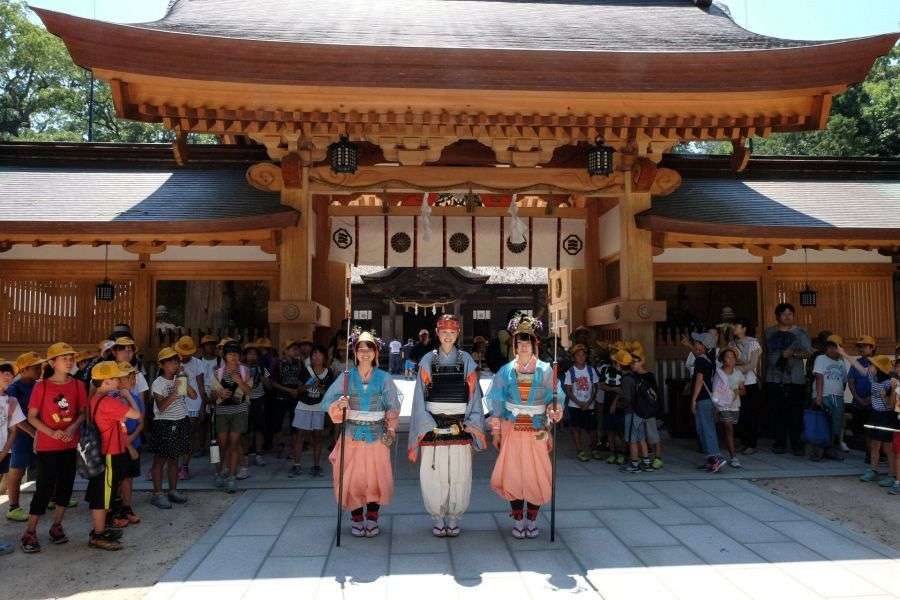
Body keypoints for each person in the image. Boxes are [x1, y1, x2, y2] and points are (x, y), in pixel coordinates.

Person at [485, 315, 562, 539]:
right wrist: (496, 431)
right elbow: (497, 402)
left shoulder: (546, 370)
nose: (524, 347)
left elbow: (556, 397)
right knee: (513, 472)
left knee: (537, 473)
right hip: (511, 428)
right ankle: (518, 519)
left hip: (538, 429)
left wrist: (555, 410)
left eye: (528, 343)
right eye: (520, 343)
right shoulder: (505, 371)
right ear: (515, 346)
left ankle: (532, 519)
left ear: (535, 345)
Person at [408, 315, 485, 537]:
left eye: (452, 332)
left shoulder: (467, 359)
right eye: (444, 332)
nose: (448, 336)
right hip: (432, 425)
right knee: (434, 474)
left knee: (460, 473)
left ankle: (454, 516)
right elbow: (419, 397)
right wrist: (426, 423)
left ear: (458, 333)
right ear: (437, 333)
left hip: (460, 425)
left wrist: (471, 423)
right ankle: (438, 517)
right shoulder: (427, 360)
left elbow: (474, 395)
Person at [322, 329, 400, 538]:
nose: (365, 353)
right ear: (355, 353)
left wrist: (391, 428)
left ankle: (372, 518)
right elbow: (327, 402)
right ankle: (357, 518)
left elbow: (392, 406)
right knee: (352, 477)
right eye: (361, 349)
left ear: (376, 352)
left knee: (376, 477)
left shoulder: (384, 377)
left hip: (377, 435)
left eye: (369, 349)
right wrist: (340, 404)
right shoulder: (346, 377)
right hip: (352, 434)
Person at [21, 342, 86, 554]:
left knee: (66, 486)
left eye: (71, 358)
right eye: (64, 358)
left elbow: (83, 413)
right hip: (48, 446)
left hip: (69, 443)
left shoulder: (78, 385)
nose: (69, 361)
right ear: (52, 362)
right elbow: (32, 417)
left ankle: (57, 525)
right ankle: (30, 531)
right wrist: (51, 432)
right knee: (44, 488)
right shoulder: (42, 386)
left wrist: (72, 427)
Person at [84, 361, 141, 551]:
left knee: (104, 493)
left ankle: (101, 529)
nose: (119, 381)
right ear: (106, 381)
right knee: (103, 495)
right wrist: (127, 395)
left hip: (105, 452)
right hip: (109, 453)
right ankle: (98, 534)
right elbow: (136, 415)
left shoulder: (97, 398)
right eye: (115, 378)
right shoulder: (108, 402)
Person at [840, 349, 897, 487]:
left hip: (886, 417)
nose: (869, 367)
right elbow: (858, 367)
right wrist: (845, 354)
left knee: (887, 448)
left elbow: (892, 405)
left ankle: (892, 474)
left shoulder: (890, 383)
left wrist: (886, 395)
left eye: (872, 365)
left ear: (879, 369)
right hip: (875, 414)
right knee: (874, 445)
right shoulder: (873, 378)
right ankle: (873, 470)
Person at [149, 347, 195, 509]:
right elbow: (161, 407)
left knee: (175, 458)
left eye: (176, 362)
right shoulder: (158, 383)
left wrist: (184, 380)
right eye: (170, 362)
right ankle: (157, 493)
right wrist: (175, 392)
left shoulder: (180, 378)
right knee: (160, 459)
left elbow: (193, 396)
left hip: (181, 419)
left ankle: (173, 490)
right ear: (162, 365)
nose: (174, 365)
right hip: (164, 423)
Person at [764, 303, 812, 455]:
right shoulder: (769, 332)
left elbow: (808, 352)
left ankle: (797, 444)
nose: (787, 317)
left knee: (796, 413)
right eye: (784, 314)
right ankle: (779, 443)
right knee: (777, 412)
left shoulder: (801, 332)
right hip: (774, 377)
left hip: (795, 378)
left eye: (790, 314)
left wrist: (793, 354)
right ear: (777, 316)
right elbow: (765, 353)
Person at [5, 352, 44, 523]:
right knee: (17, 470)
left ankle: (50, 498)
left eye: (40, 367)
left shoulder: (39, 385)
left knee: (46, 468)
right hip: (21, 436)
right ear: (23, 370)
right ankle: (13, 507)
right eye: (35, 367)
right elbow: (14, 416)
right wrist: (33, 432)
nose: (40, 370)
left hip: (40, 433)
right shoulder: (13, 389)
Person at [210, 342, 252, 493]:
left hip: (239, 411)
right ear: (225, 356)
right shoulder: (218, 372)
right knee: (222, 444)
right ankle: (219, 472)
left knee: (234, 444)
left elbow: (249, 392)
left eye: (236, 353)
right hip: (222, 411)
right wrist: (220, 393)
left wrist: (239, 380)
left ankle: (232, 477)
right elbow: (212, 395)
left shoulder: (245, 371)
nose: (233, 357)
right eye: (230, 354)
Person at [290, 344, 335, 477]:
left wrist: (320, 388)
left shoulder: (328, 373)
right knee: (300, 435)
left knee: (317, 436)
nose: (316, 357)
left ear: (324, 357)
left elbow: (330, 392)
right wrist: (307, 386)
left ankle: (316, 465)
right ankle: (296, 464)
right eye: (314, 354)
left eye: (320, 354)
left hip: (319, 407)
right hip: (303, 405)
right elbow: (297, 390)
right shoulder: (305, 371)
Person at [112, 362, 144, 527]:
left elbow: (141, 421)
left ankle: (127, 507)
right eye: (126, 377)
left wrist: (132, 438)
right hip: (117, 444)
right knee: (117, 478)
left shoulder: (135, 398)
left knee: (129, 477)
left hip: (133, 440)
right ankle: (114, 508)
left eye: (132, 376)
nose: (132, 380)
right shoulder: (113, 399)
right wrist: (126, 442)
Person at [0, 359, 27, 555]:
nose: (8, 376)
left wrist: (3, 452)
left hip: (3, 454)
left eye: (10, 373)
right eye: (4, 372)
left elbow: (13, 429)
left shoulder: (11, 401)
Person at [690, 332, 726, 473]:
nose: (695, 344)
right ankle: (711, 459)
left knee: (706, 429)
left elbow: (699, 380)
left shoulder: (700, 360)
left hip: (703, 399)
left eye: (697, 342)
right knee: (703, 429)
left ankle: (716, 457)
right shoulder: (709, 360)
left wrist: (693, 399)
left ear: (702, 346)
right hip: (708, 399)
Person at [619, 347, 660, 473]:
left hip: (634, 412)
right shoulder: (637, 377)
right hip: (642, 412)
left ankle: (634, 463)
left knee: (632, 439)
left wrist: (620, 404)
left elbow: (628, 398)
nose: (633, 365)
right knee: (641, 438)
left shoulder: (629, 378)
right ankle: (646, 462)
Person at [810, 335, 848, 461]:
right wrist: (819, 396)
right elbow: (819, 377)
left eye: (835, 347)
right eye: (830, 346)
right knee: (822, 423)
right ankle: (818, 452)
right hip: (824, 395)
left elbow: (844, 381)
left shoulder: (841, 362)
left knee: (836, 425)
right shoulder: (821, 358)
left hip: (838, 397)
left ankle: (831, 450)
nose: (832, 349)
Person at [174, 336, 207, 480]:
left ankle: (185, 466)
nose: (185, 355)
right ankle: (175, 465)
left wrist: (203, 405)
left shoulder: (198, 363)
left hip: (194, 402)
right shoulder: (173, 363)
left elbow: (200, 385)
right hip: (176, 401)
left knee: (188, 434)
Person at [267, 340, 305, 459]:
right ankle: (280, 446)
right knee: (278, 423)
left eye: (297, 349)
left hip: (295, 398)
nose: (296, 352)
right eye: (293, 349)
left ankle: (293, 449)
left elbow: (302, 380)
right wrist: (289, 390)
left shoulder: (300, 363)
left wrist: (298, 390)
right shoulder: (277, 363)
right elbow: (272, 382)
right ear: (286, 350)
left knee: (295, 424)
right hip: (280, 397)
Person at [563, 344, 600, 462]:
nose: (581, 357)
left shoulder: (591, 370)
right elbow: (568, 390)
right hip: (575, 405)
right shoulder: (570, 372)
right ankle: (580, 451)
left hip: (590, 405)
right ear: (573, 357)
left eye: (583, 355)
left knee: (592, 429)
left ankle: (594, 449)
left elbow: (595, 388)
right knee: (576, 428)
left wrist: (589, 402)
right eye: (578, 355)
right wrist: (579, 403)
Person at [731, 318, 762, 454]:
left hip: (750, 382)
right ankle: (743, 441)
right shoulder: (732, 343)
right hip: (736, 383)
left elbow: (753, 364)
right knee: (740, 413)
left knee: (750, 413)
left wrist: (738, 368)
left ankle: (752, 444)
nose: (734, 328)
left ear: (744, 328)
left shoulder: (753, 342)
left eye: (736, 325)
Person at [716, 347, 745, 468]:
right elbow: (715, 390)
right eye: (728, 357)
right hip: (722, 405)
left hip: (734, 405)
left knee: (730, 428)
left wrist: (736, 391)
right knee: (728, 427)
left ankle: (726, 451)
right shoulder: (718, 373)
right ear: (723, 359)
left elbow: (743, 391)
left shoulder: (738, 373)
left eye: (733, 357)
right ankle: (733, 456)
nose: (731, 359)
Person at [848, 335, 877, 454]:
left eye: (864, 346)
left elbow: (884, 384)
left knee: (873, 431)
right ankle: (868, 453)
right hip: (858, 404)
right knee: (858, 430)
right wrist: (857, 398)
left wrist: (870, 398)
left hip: (874, 405)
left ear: (872, 348)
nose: (861, 349)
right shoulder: (856, 363)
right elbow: (851, 382)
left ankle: (872, 454)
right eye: (859, 346)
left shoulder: (879, 362)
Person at [600, 349, 628, 466]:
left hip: (620, 405)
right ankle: (612, 452)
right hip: (607, 402)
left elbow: (623, 390)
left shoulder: (625, 371)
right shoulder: (605, 369)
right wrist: (613, 388)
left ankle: (622, 453)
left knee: (621, 431)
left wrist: (615, 402)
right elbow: (602, 385)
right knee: (609, 430)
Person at [244, 344, 269, 468]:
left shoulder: (263, 368)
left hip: (259, 399)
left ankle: (258, 454)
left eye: (254, 354)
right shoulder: (241, 368)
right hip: (245, 400)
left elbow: (270, 384)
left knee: (259, 428)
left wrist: (263, 378)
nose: (252, 356)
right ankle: (246, 455)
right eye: (249, 354)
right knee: (246, 429)